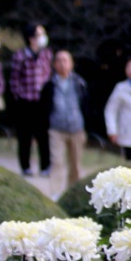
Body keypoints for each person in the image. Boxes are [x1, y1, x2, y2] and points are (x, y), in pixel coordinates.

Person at [8, 22, 54, 177]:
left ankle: (45, 166)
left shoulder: (46, 54)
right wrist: (19, 97)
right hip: (25, 102)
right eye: (39, 34)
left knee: (43, 136)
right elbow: (14, 80)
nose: (43, 37)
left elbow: (48, 75)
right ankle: (25, 166)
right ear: (31, 38)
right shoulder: (20, 55)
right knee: (24, 137)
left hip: (41, 101)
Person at [43, 50, 89, 188]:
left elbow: (86, 105)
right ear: (54, 64)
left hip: (77, 128)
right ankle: (56, 194)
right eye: (59, 60)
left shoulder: (79, 83)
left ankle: (72, 193)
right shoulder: (49, 85)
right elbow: (44, 108)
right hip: (56, 129)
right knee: (56, 162)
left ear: (71, 63)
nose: (63, 64)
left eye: (66, 60)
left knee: (75, 165)